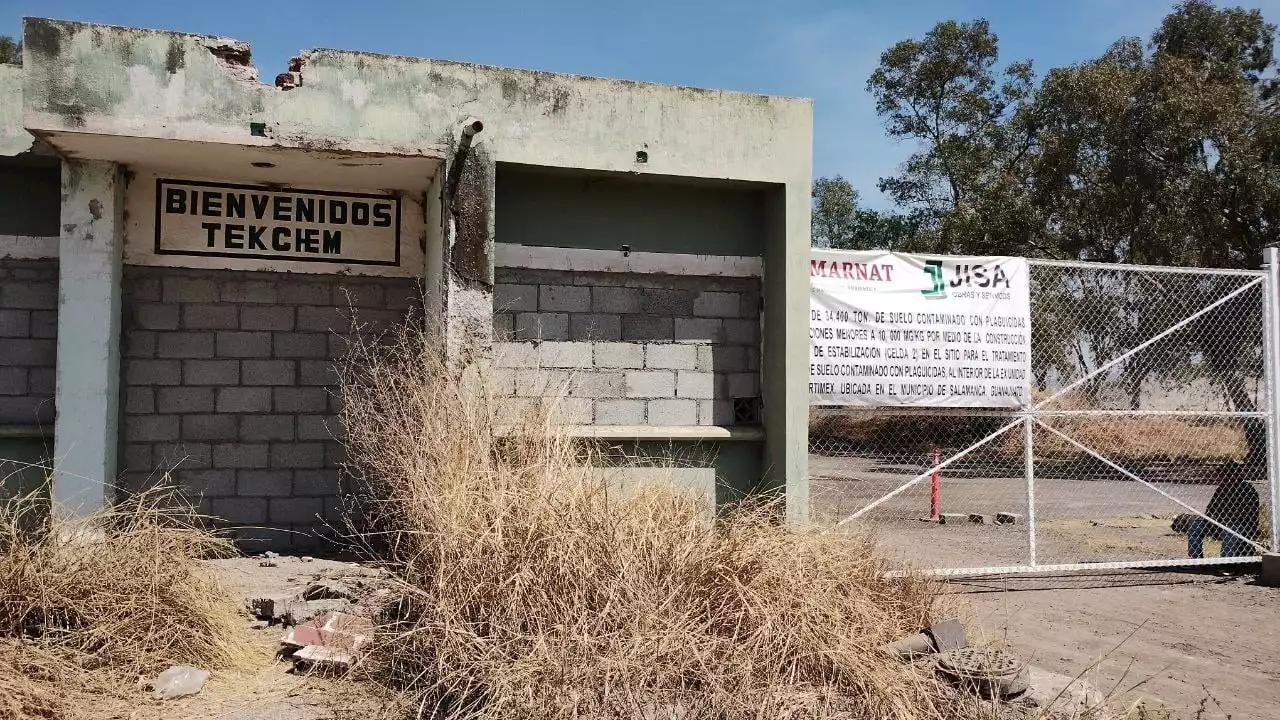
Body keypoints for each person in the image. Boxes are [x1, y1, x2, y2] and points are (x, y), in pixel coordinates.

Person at [1182, 464, 1260, 559]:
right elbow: (1210, 509)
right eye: (1221, 475)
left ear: (1235, 475)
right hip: (1219, 523)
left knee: (1231, 528)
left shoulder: (1247, 490)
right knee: (1195, 522)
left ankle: (1226, 562)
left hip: (1241, 525)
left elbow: (1247, 514)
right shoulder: (1221, 489)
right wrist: (1214, 519)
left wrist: (1225, 519)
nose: (1222, 478)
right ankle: (1195, 559)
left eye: (1225, 475)